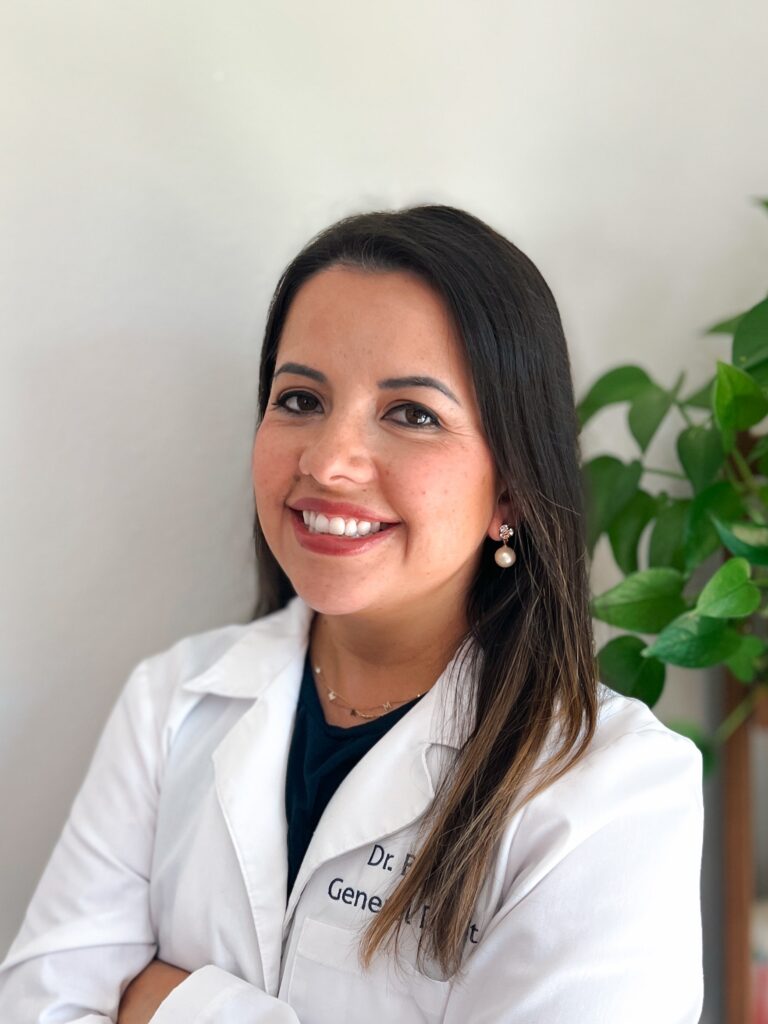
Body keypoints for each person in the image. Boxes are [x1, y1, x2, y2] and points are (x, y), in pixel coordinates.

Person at [0, 204, 704, 1023]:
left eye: (411, 414)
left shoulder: (611, 789)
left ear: (509, 489)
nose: (329, 462)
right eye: (299, 399)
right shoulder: (173, 701)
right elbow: (38, 1006)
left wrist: (170, 1001)